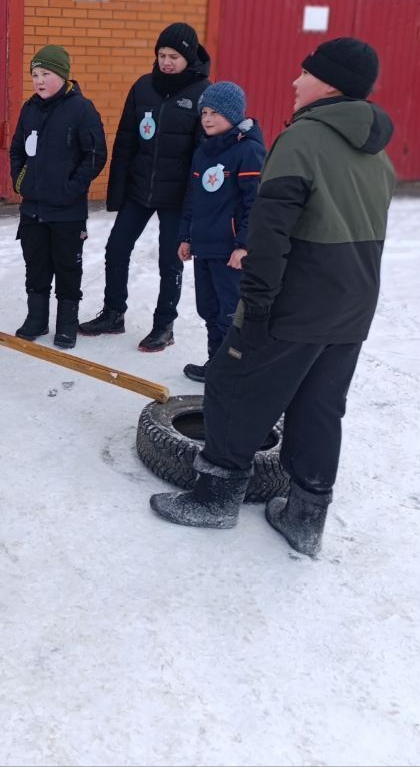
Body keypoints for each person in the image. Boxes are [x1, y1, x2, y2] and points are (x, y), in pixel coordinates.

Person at [150, 38, 396, 558]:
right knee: (319, 407)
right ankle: (306, 517)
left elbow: (271, 230)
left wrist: (254, 306)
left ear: (327, 83)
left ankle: (214, 499)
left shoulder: (303, 139)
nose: (294, 82)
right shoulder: (377, 153)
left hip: (297, 298)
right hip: (352, 303)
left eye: (303, 73)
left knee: (230, 388)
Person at [79, 23, 211, 352]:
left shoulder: (201, 93)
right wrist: (118, 192)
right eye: (161, 55)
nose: (166, 62)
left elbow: (203, 153)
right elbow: (126, 141)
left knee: (170, 261)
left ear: (189, 57)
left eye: (174, 56)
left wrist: (193, 206)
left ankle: (164, 325)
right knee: (116, 248)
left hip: (176, 196)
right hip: (140, 188)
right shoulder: (143, 87)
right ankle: (113, 313)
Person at [8, 45, 107, 349]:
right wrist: (21, 183)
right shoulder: (29, 109)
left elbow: (96, 155)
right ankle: (36, 319)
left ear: (62, 76)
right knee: (35, 265)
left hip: (67, 212)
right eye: (35, 74)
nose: (39, 80)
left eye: (45, 74)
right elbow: (16, 151)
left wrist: (70, 189)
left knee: (67, 267)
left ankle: (66, 325)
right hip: (33, 209)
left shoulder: (82, 110)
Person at [175, 81, 265, 383]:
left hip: (230, 252)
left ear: (233, 113)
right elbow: (192, 197)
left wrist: (244, 245)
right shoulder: (204, 151)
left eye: (215, 112)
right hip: (204, 246)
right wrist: (186, 236)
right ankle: (216, 362)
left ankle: (233, 370)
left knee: (230, 313)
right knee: (209, 309)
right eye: (204, 113)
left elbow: (255, 203)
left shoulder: (248, 151)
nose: (208, 118)